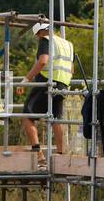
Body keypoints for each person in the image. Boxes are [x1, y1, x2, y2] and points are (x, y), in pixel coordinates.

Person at [20, 21, 74, 169]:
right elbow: (72, 69)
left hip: (47, 82)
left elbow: (43, 61)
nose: (38, 38)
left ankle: (38, 154)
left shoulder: (46, 40)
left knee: (27, 115)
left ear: (40, 32)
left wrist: (27, 78)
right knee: (56, 117)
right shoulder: (67, 44)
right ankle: (61, 155)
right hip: (63, 83)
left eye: (37, 35)